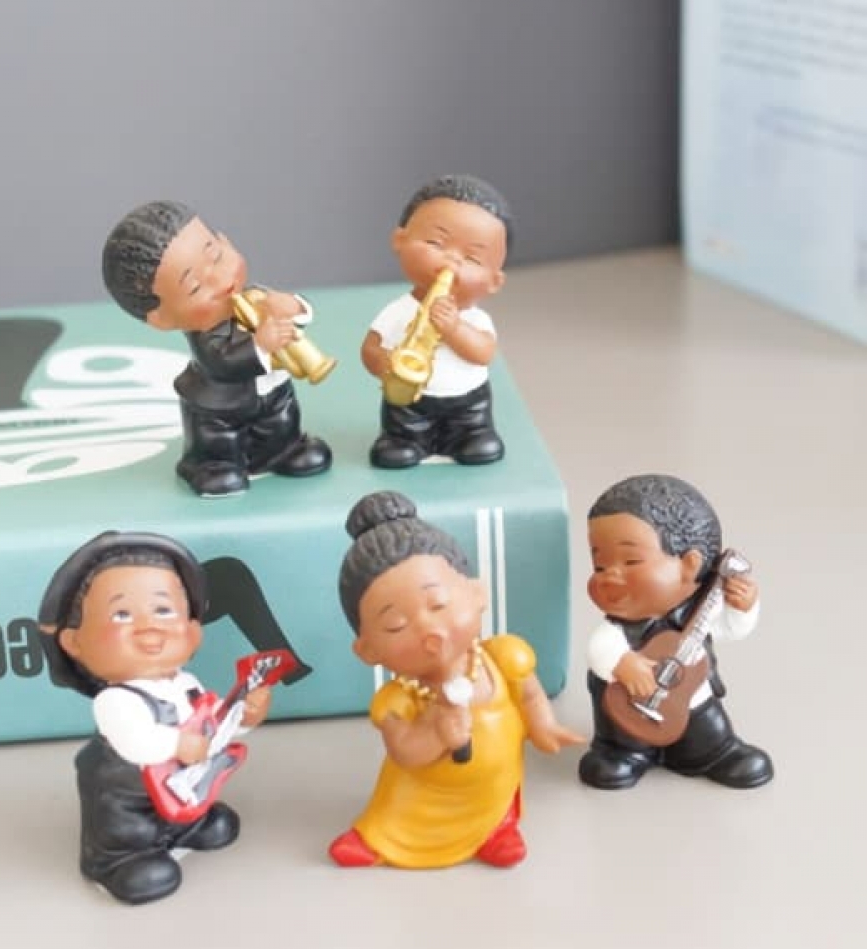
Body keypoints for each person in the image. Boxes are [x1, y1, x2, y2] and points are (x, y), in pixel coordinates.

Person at [329, 491, 583, 869]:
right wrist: (436, 735)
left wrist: (543, 725)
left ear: (477, 593)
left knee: (498, 802)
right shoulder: (398, 700)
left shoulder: (503, 657)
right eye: (396, 625)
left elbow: (530, 696)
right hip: (422, 798)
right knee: (398, 814)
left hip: (494, 785)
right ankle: (382, 839)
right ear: (367, 649)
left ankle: (498, 829)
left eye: (439, 605)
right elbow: (405, 752)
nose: (428, 630)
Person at [38, 531, 274, 904]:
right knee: (129, 835)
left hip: (176, 787)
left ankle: (186, 826)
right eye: (121, 614)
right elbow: (138, 742)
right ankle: (115, 861)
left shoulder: (187, 684)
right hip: (126, 799)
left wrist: (244, 715)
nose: (149, 627)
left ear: (193, 633)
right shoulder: (116, 700)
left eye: (163, 610)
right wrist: (178, 744)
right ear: (74, 643)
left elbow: (210, 727)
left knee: (207, 819)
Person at [102, 200, 331, 495]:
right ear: (161, 318)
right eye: (196, 288)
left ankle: (284, 450)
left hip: (273, 393)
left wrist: (294, 307)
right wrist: (260, 344)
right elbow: (222, 363)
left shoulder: (255, 296)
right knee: (220, 441)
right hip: (221, 411)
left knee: (282, 420)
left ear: (225, 240)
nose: (221, 280)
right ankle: (212, 466)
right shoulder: (206, 337)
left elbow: (295, 314)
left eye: (217, 256)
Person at [580, 474, 774, 791]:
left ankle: (715, 753)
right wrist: (621, 663)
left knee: (706, 730)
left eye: (631, 561)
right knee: (619, 731)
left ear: (689, 565)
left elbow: (728, 630)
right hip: (627, 708)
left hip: (692, 704)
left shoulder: (699, 613)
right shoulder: (618, 628)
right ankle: (622, 754)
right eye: (600, 566)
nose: (609, 577)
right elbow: (601, 648)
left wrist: (743, 608)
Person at [360, 175, 512, 469]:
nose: (451, 262)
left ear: (494, 281)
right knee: (399, 436)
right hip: (409, 402)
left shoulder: (475, 318)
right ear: (400, 240)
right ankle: (403, 440)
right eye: (435, 243)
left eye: (472, 259)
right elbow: (370, 348)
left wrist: (454, 329)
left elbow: (484, 353)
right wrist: (385, 364)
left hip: (468, 403)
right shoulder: (399, 311)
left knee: (477, 440)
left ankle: (471, 436)